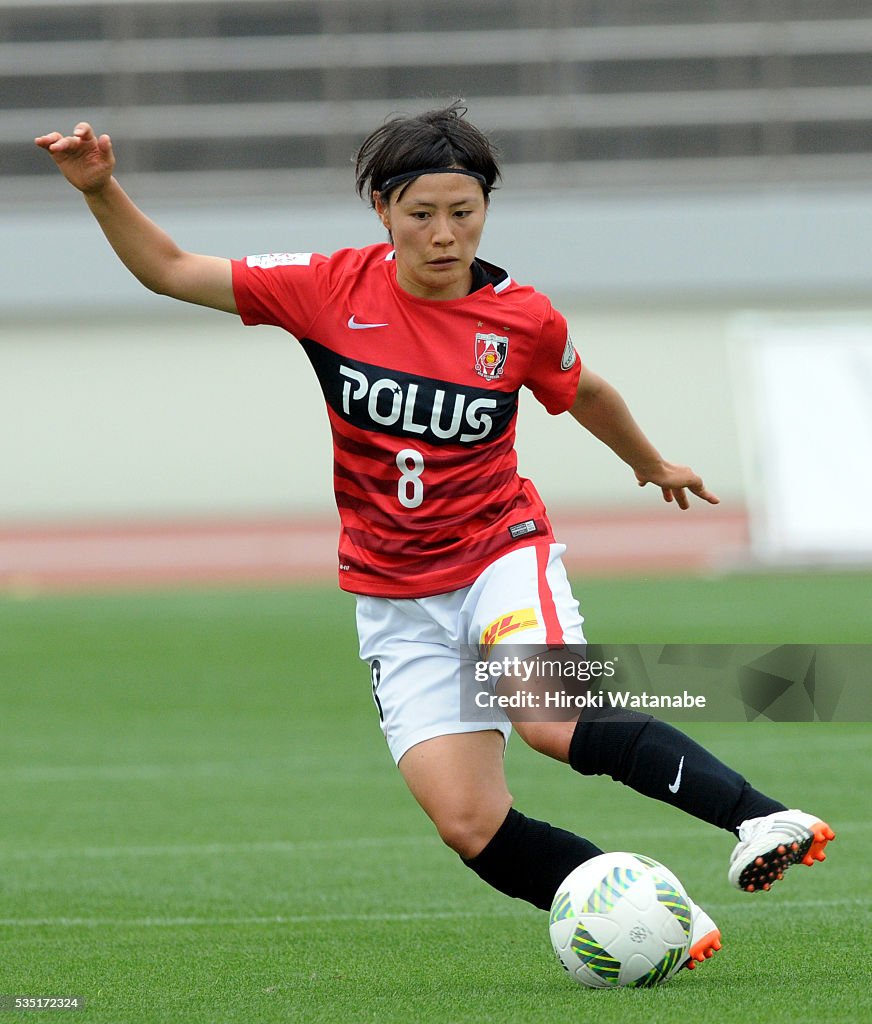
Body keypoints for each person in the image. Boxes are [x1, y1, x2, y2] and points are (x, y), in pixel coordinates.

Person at [36, 104, 834, 972]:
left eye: (465, 212)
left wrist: (651, 464)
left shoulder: (519, 318)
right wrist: (101, 187)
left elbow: (585, 390)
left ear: (486, 210)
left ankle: (761, 815)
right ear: (381, 210)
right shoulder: (326, 288)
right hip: (392, 593)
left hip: (500, 551)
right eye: (422, 214)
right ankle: (663, 922)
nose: (445, 235)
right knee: (469, 823)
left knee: (548, 714)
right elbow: (171, 268)